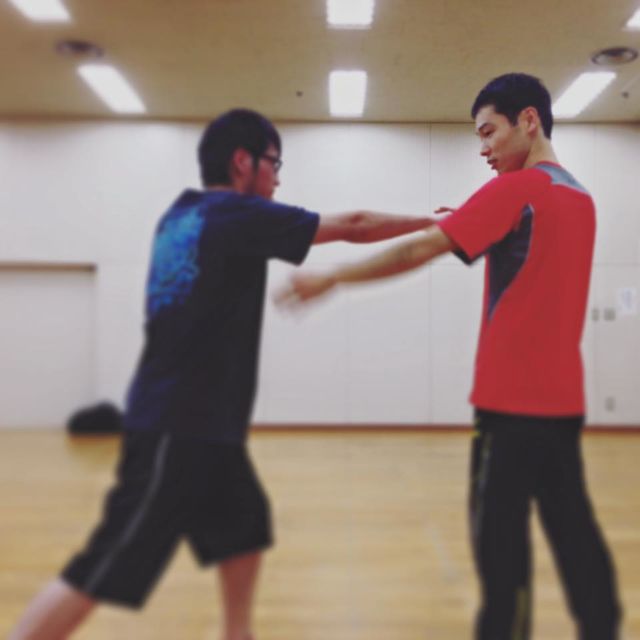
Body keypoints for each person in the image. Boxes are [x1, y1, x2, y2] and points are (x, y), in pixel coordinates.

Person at [9, 108, 436, 640]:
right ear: (242, 162)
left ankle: (237, 634)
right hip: (178, 427)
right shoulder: (239, 215)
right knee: (105, 564)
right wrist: (433, 223)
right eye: (274, 163)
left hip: (204, 427)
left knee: (244, 526)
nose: (277, 179)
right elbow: (354, 225)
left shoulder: (180, 214)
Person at [276, 74, 621, 640]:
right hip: (562, 405)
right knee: (574, 533)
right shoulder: (580, 197)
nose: (483, 148)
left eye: (488, 132)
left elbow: (417, 249)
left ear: (528, 120)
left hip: (508, 410)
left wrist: (333, 277)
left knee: (501, 554)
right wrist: (469, 215)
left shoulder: (515, 190)